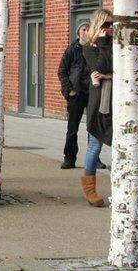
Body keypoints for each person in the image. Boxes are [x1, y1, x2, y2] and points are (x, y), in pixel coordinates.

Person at [79, 9, 116, 207]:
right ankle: (90, 189)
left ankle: (121, 186)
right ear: (98, 26)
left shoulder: (118, 44)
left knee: (120, 146)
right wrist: (102, 43)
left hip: (117, 101)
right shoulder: (89, 47)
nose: (109, 29)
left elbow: (118, 70)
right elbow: (101, 67)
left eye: (111, 25)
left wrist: (110, 76)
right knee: (95, 146)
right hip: (99, 101)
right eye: (105, 25)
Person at [58, 22, 92, 169]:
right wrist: (69, 90)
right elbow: (62, 71)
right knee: (72, 128)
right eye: (83, 29)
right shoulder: (72, 49)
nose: (86, 32)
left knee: (93, 128)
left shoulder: (94, 48)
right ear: (78, 33)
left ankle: (94, 158)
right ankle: (69, 157)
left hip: (92, 92)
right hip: (76, 93)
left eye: (88, 29)